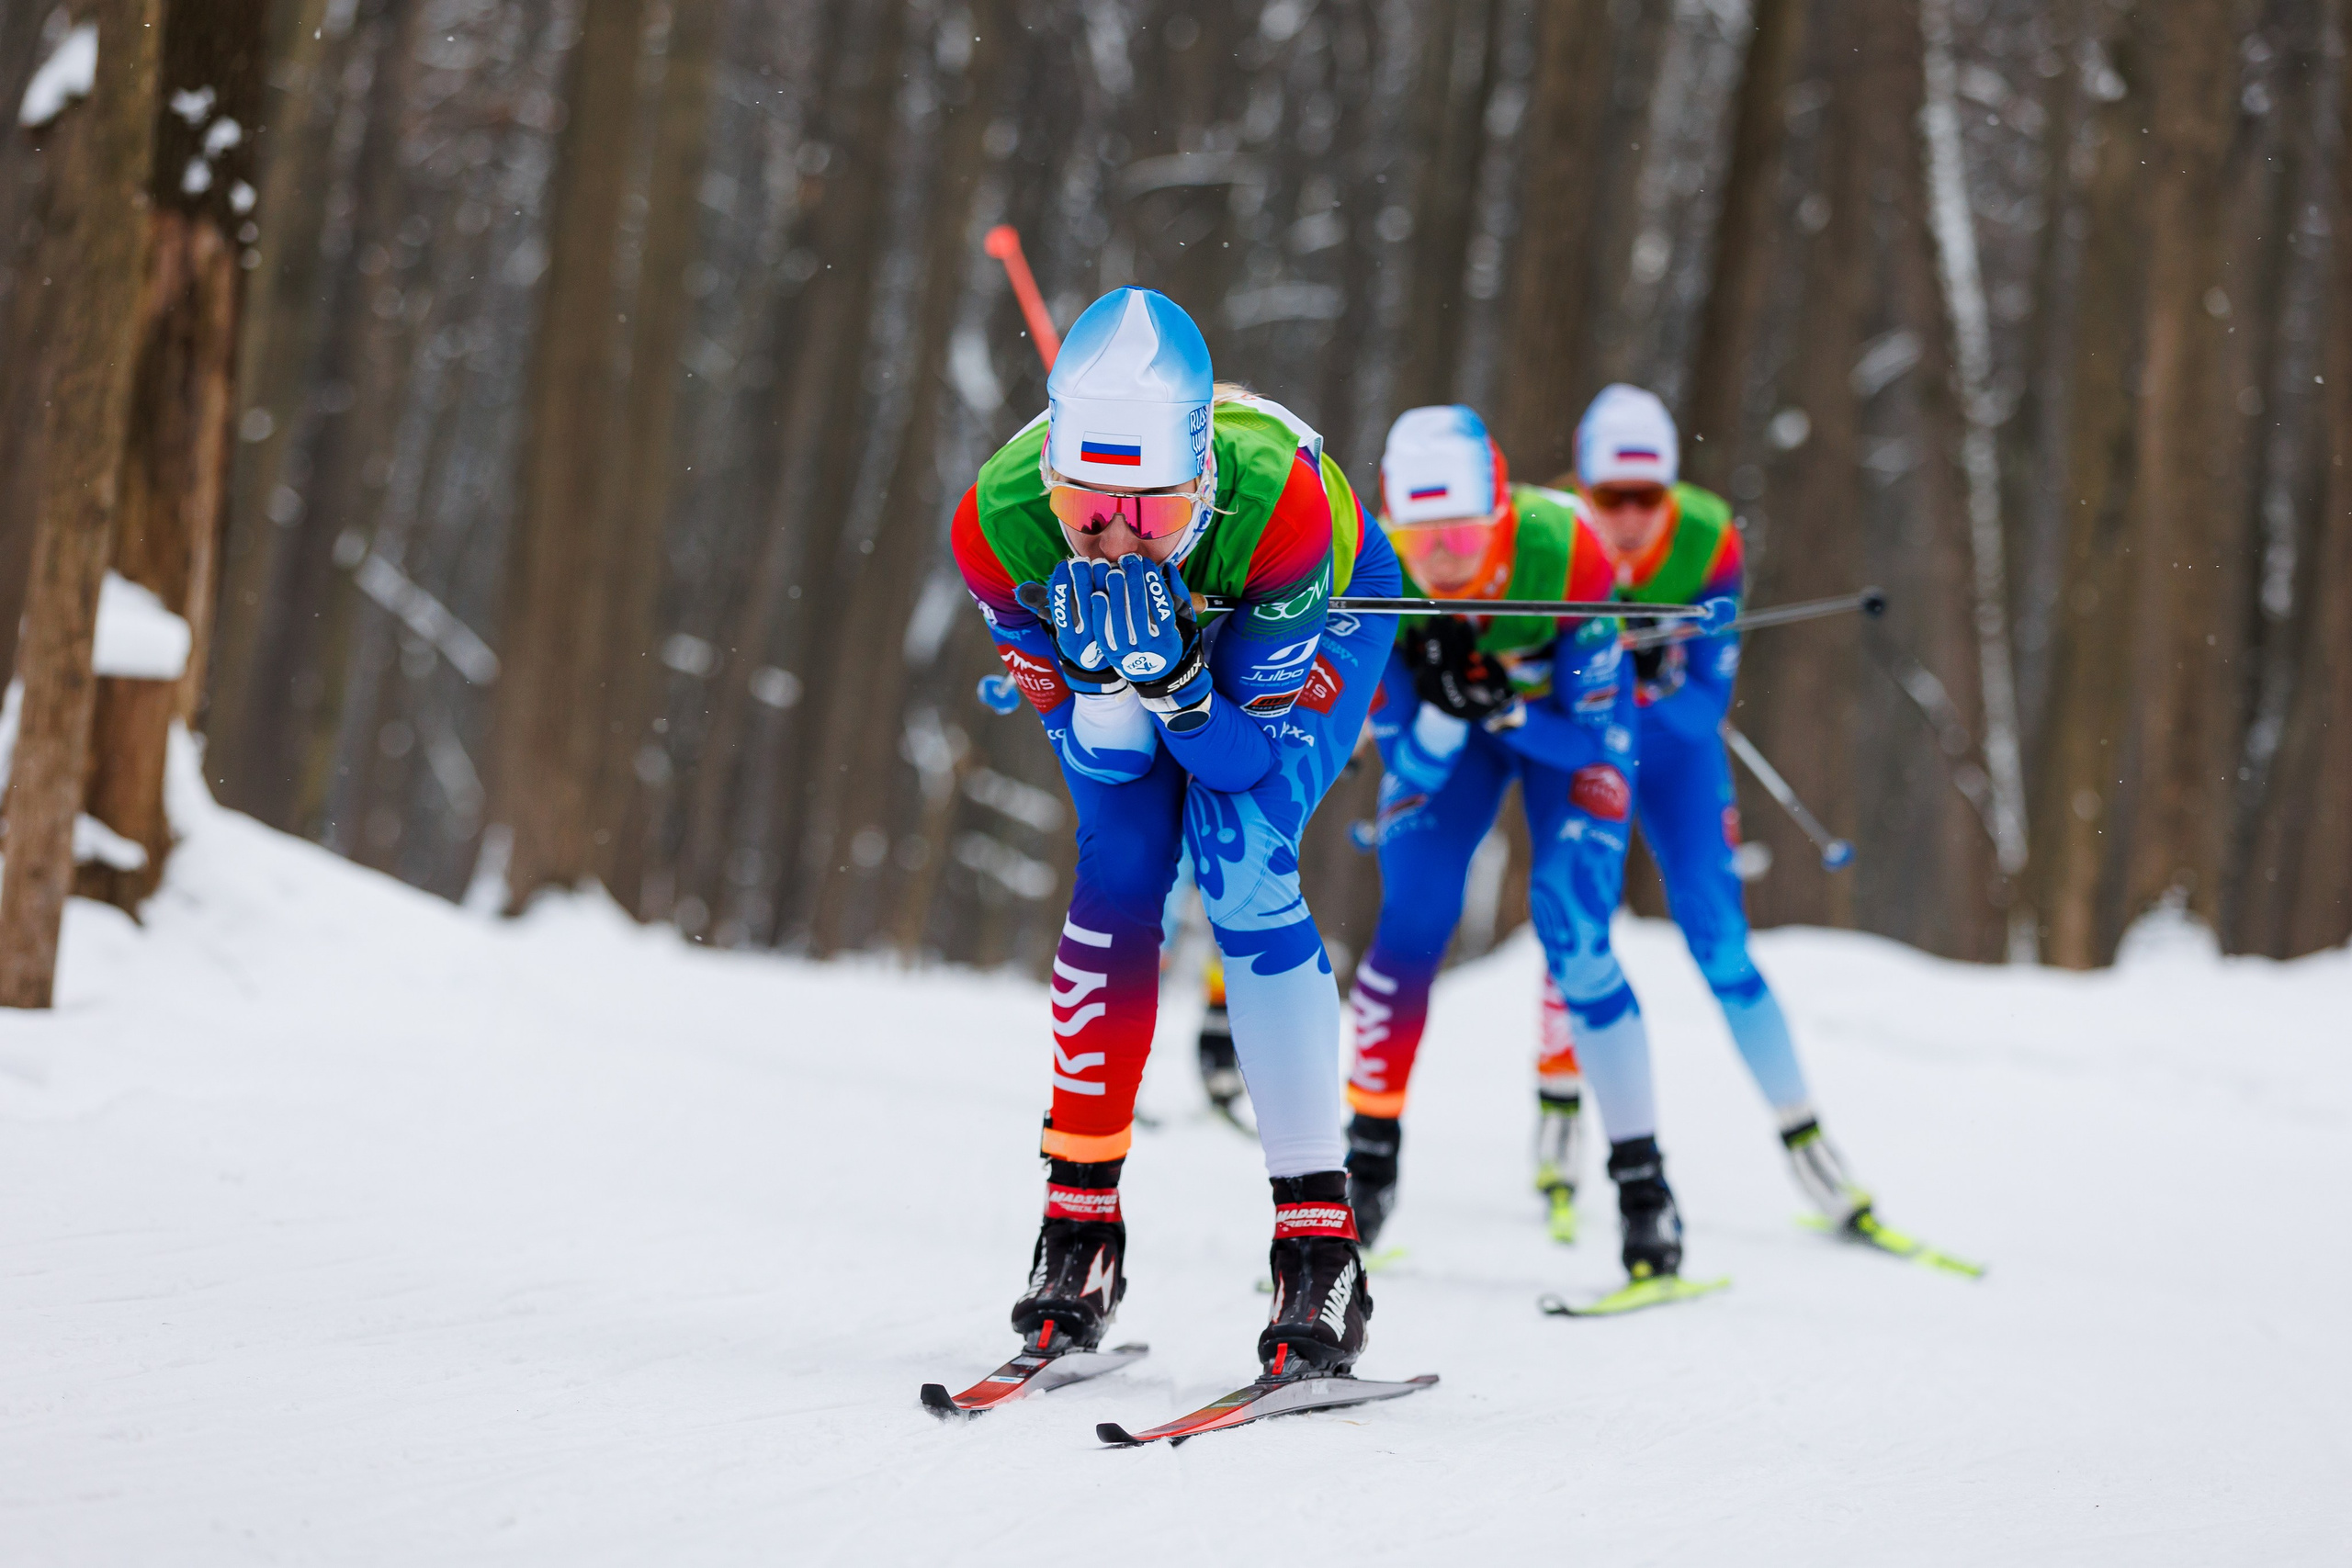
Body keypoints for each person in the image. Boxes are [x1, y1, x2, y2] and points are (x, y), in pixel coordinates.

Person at [951, 287, 1403, 1379]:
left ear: (1195, 478)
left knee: (1241, 855)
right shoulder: (998, 525)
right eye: (1084, 507)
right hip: (1173, 663)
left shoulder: (1281, 509)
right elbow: (1104, 764)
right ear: (1049, 478)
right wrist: (1106, 689)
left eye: (1147, 513)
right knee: (1116, 875)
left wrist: (1180, 684)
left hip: (1320, 594)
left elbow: (1240, 762)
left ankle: (1318, 1248)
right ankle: (1078, 1235)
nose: (1112, 538)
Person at [1336, 405, 1699, 1287]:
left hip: (1555, 732)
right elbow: (1403, 748)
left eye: (1462, 532)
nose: (1444, 557)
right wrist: (1442, 707)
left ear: (1499, 514)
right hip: (1455, 738)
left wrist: (1502, 706)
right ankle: (1364, 1169)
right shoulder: (1375, 568)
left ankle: (1643, 1183)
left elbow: (1588, 738)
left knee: (1572, 926)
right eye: (1421, 538)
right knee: (1411, 924)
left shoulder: (1563, 550)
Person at [1558, 383, 1871, 1228]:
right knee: (1576, 929)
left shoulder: (1706, 536)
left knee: (1723, 944)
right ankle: (1556, 1121)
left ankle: (1808, 1144)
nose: (1627, 516)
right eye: (1608, 496)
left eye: (1645, 496)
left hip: (1676, 752)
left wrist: (1641, 682)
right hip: (1591, 752)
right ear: (1582, 488)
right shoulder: (1557, 536)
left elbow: (1706, 700)